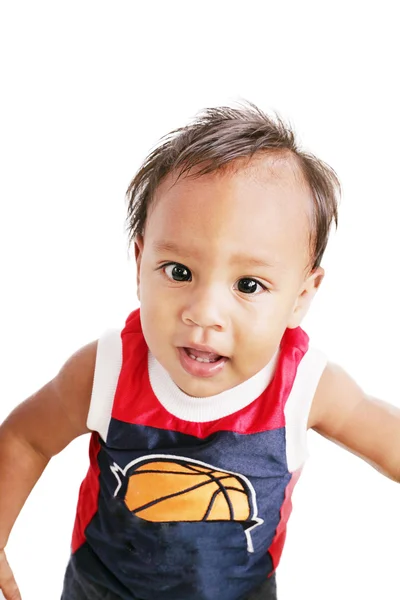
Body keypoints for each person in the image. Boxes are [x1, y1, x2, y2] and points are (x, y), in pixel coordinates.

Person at [1, 102, 399, 600]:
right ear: (141, 262)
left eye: (248, 284)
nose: (204, 312)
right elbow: (25, 440)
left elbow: (387, 437)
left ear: (301, 296)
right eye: (179, 272)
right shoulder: (109, 369)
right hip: (104, 589)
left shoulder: (302, 386)